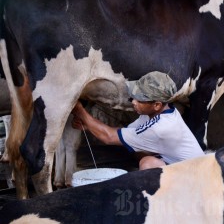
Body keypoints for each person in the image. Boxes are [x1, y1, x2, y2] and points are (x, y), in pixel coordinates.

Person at [71, 71, 204, 170]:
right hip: (184, 167)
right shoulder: (163, 112)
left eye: (139, 99)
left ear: (157, 105)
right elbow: (127, 132)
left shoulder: (160, 128)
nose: (133, 102)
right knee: (139, 151)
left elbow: (109, 137)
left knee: (147, 164)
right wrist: (89, 127)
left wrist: (79, 110)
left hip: (195, 176)